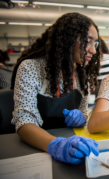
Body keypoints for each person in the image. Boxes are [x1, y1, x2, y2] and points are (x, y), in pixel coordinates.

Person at [10, 12, 100, 164]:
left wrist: (81, 118)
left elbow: (84, 112)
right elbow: (24, 121)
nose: (93, 50)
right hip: (37, 146)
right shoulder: (31, 68)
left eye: (95, 43)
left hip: (72, 143)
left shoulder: (82, 75)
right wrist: (57, 145)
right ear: (68, 40)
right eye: (87, 41)